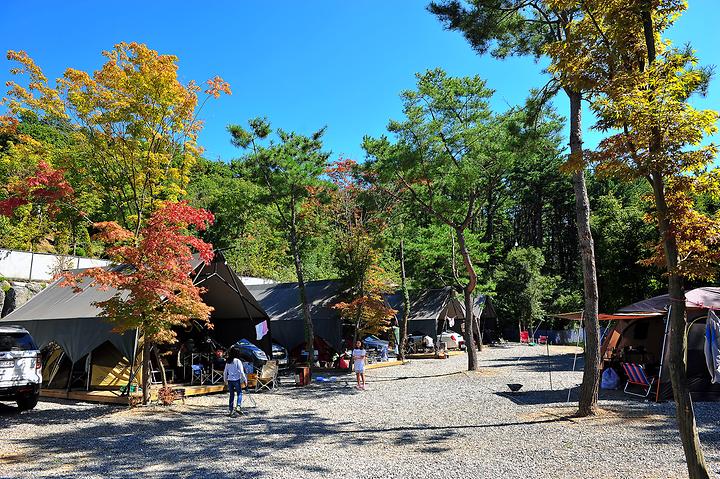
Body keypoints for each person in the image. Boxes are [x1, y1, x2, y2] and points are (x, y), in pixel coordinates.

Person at [223, 348, 247, 417]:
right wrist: (245, 380)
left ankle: (230, 410)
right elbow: (242, 372)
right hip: (236, 380)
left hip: (230, 380)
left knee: (231, 395)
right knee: (239, 393)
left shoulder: (228, 361)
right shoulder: (238, 361)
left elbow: (225, 372)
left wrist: (225, 380)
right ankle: (238, 406)